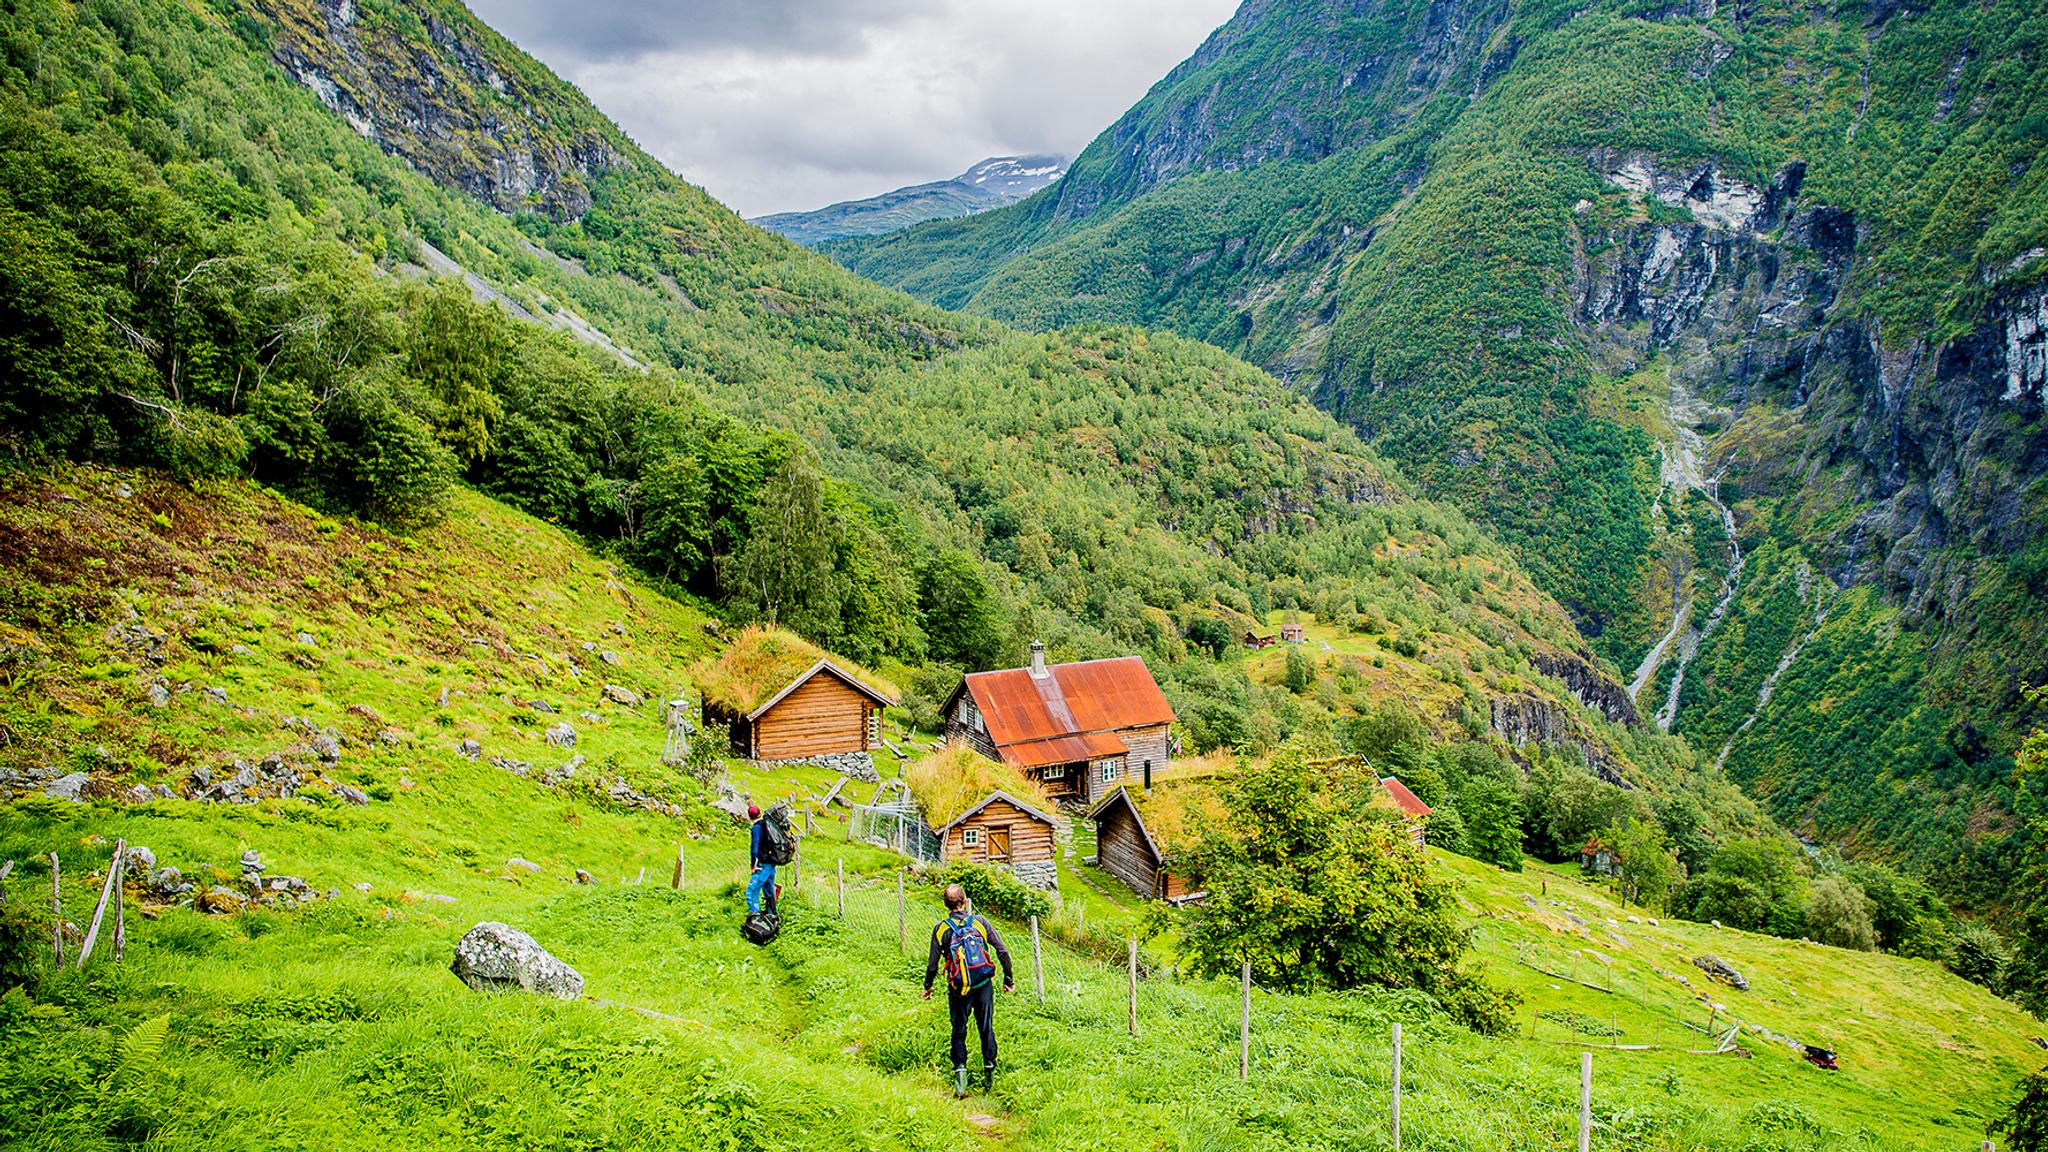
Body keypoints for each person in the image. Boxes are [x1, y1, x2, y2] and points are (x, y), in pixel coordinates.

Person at [922, 884, 1014, 1097]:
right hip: (983, 985)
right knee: (986, 1027)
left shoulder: (941, 929)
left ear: (946, 905)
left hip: (958, 989)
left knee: (959, 1029)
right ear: (965, 902)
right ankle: (989, 1076)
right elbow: (1002, 951)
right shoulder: (980, 923)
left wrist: (927, 987)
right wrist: (1008, 978)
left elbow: (933, 965)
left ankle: (961, 1081)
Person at [745, 804, 777, 915]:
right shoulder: (768, 824)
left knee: (751, 891)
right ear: (760, 814)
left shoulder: (756, 828)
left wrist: (753, 865)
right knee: (769, 888)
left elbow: (754, 848)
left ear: (749, 817)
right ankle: (772, 914)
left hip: (763, 863)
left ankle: (755, 917)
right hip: (772, 861)